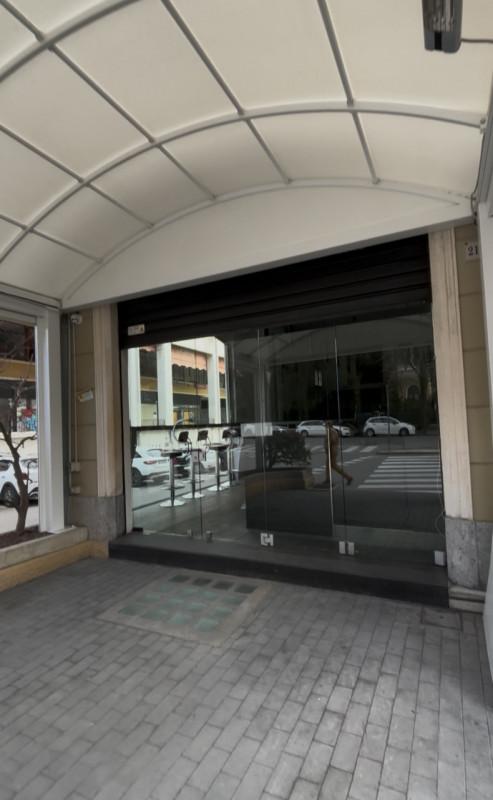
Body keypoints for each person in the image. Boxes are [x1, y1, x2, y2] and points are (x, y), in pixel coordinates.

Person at [324, 422, 353, 486]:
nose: (325, 427)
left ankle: (348, 477)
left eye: (326, 425)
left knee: (334, 466)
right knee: (328, 466)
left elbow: (332, 440)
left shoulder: (331, 431)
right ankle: (328, 479)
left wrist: (327, 447)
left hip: (332, 451)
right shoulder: (333, 431)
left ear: (328, 425)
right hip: (332, 450)